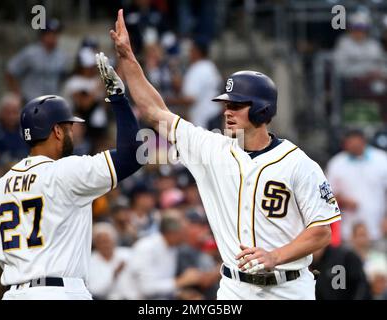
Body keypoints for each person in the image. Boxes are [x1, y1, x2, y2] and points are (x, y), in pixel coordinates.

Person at [105, 9, 341, 300]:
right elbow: (155, 112)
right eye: (226, 105)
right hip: (234, 288)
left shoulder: (298, 164)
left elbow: (321, 231)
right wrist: (128, 57)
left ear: (261, 109)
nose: (227, 111)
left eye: (237, 105)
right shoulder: (211, 148)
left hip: (289, 288)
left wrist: (275, 256)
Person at [0, 53, 142, 300]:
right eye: (69, 127)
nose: (73, 132)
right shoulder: (66, 172)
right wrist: (118, 98)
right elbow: (134, 155)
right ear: (57, 132)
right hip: (60, 291)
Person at [122, 212, 203, 299]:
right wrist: (182, 281)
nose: (186, 236)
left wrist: (179, 293)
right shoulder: (146, 247)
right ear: (172, 233)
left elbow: (162, 281)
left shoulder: (173, 247)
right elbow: (147, 289)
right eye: (184, 232)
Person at [326, 129, 387, 242]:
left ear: (363, 141)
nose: (353, 146)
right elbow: (327, 197)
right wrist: (342, 201)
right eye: (350, 143)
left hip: (378, 228)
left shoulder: (382, 160)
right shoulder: (336, 164)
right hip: (348, 231)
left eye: (356, 143)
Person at [6, 19, 69, 102]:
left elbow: (63, 78)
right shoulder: (30, 53)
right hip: (30, 101)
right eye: (50, 33)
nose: (54, 37)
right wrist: (16, 93)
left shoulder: (61, 56)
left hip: (51, 103)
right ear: (43, 35)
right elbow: (11, 71)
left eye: (56, 34)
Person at [88, 222, 132, 299]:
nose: (105, 245)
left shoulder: (127, 254)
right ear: (95, 244)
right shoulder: (90, 261)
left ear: (114, 240)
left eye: (107, 241)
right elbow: (95, 290)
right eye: (101, 242)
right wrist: (114, 274)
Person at [0, 93, 29, 164]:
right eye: (8, 112)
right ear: (1, 113)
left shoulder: (28, 129)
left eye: (15, 112)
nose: (11, 117)